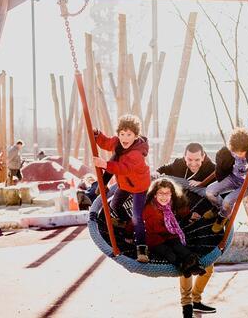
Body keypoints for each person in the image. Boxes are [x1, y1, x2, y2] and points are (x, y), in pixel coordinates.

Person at [156, 143, 217, 316]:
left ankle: (197, 299)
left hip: (203, 220)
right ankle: (187, 303)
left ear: (203, 157)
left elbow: (219, 190)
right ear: (185, 157)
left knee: (209, 265)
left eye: (197, 159)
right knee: (187, 261)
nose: (193, 163)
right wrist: (155, 173)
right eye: (189, 159)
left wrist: (200, 210)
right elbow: (162, 170)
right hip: (180, 219)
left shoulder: (211, 169)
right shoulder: (178, 164)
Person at [92, 114, 150, 262]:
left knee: (137, 217)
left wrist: (105, 164)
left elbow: (123, 168)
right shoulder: (117, 142)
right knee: (115, 205)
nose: (125, 137)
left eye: (129, 134)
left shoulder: (137, 153)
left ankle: (142, 248)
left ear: (136, 136)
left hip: (139, 187)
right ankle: (126, 223)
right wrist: (97, 134)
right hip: (125, 184)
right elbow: (105, 143)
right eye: (122, 134)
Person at [143, 178, 206, 277]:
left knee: (179, 247)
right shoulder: (150, 208)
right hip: (155, 238)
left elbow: (181, 209)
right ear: (154, 194)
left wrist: (189, 215)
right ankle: (182, 266)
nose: (164, 197)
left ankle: (195, 264)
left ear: (171, 194)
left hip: (169, 233)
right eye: (160, 193)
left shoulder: (172, 203)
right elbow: (135, 221)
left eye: (167, 193)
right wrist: (128, 234)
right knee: (167, 252)